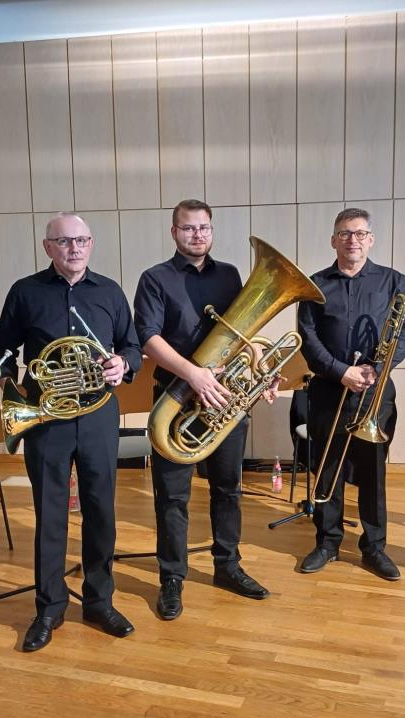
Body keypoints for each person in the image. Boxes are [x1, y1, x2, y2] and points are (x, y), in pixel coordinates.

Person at [0, 213, 141, 649]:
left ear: (91, 244)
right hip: (45, 416)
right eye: (64, 241)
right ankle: (49, 607)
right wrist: (11, 389)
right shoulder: (25, 291)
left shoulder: (110, 291)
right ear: (47, 247)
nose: (74, 248)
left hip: (97, 416)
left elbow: (132, 345)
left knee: (100, 510)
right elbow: (0, 349)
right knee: (50, 513)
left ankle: (99, 601)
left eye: (81, 240)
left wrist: (123, 363)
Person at [134, 198, 270, 622]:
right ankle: (172, 577)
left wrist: (261, 370)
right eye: (189, 228)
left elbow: (243, 333)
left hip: (224, 399)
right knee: (173, 497)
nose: (198, 235)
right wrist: (194, 374)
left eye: (204, 228)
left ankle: (227, 566)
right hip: (176, 398)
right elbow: (148, 338)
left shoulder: (229, 274)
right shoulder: (155, 278)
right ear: (174, 232)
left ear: (212, 230)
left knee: (228, 489)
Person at [297, 207, 405, 580]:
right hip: (329, 388)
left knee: (373, 471)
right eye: (345, 233)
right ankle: (327, 542)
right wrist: (341, 371)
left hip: (374, 390)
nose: (353, 240)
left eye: (360, 233)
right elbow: (307, 336)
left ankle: (374, 547)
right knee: (326, 468)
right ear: (333, 240)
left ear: (371, 239)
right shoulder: (315, 284)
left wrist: (377, 368)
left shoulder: (393, 280)